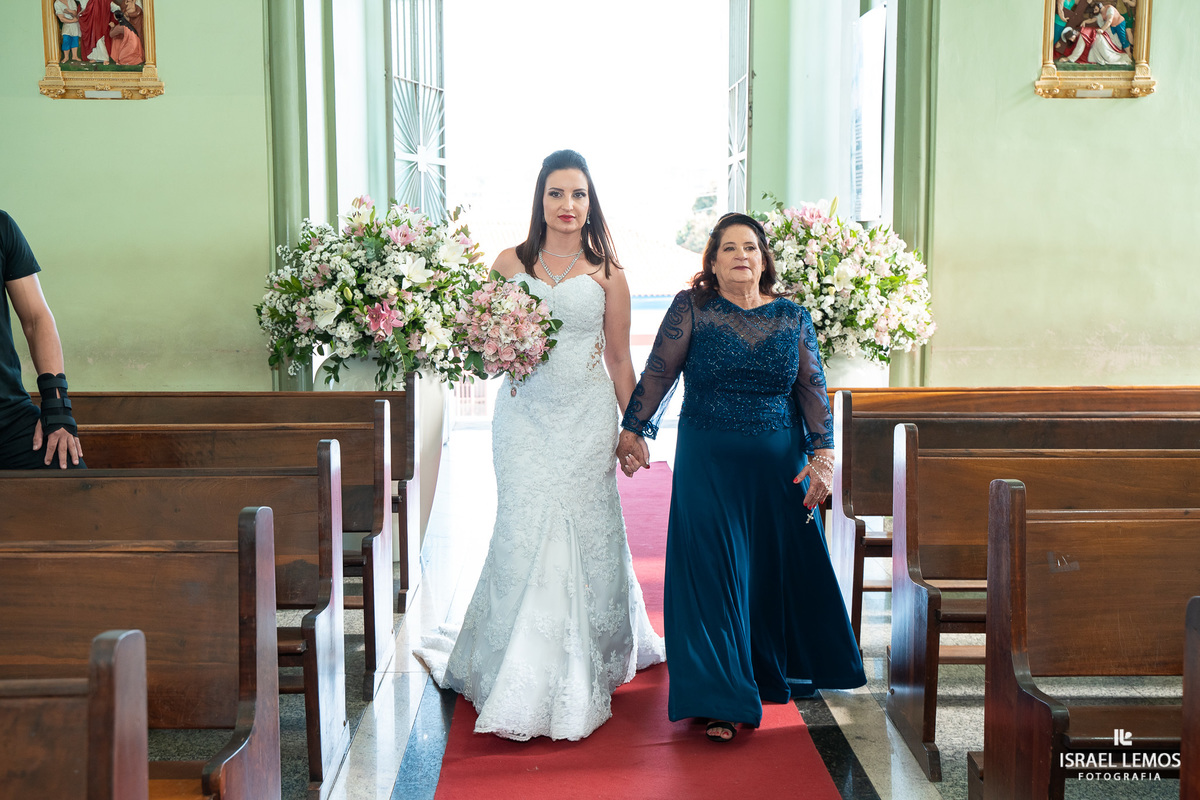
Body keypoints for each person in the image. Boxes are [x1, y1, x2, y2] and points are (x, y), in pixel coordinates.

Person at [415, 150, 664, 741]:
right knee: (523, 525)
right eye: (557, 194)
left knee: (583, 525)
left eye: (578, 195)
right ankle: (513, 657)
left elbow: (620, 358)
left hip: (585, 418)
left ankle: (588, 658)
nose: (568, 206)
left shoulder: (609, 273)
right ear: (541, 200)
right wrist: (498, 348)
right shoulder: (508, 263)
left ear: (590, 201)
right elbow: (476, 340)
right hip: (523, 418)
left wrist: (634, 427)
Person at [615, 212, 865, 743]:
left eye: (750, 247)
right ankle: (720, 696)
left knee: (767, 571)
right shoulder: (694, 310)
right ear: (712, 261)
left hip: (777, 468)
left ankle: (767, 668)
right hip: (709, 462)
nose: (741, 256)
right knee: (713, 570)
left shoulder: (794, 317)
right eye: (728, 248)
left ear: (764, 258)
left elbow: (812, 392)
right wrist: (635, 427)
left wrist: (823, 456)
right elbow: (660, 370)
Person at [0, 210, 83, 470]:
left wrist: (57, 407)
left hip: (7, 416)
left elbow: (36, 320)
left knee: (70, 474)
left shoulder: (2, 227)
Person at [54, 0, 83, 64]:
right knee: (66, 39)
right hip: (67, 25)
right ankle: (66, 57)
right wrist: (72, 20)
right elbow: (61, 18)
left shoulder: (71, 1)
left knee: (75, 39)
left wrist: (69, 11)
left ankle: (74, 56)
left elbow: (76, 13)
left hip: (75, 25)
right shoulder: (57, 3)